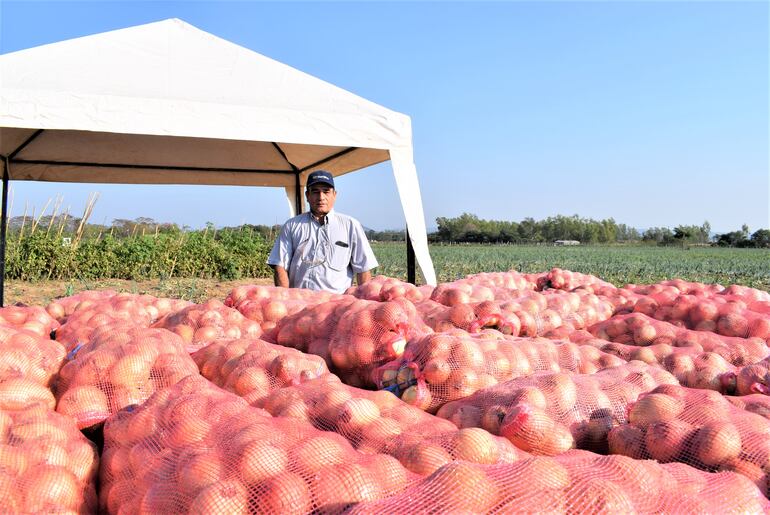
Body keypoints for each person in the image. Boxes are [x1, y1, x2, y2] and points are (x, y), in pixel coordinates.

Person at [268, 170, 378, 293]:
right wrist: (285, 298)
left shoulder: (351, 225)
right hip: (300, 301)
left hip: (337, 302)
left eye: (326, 191)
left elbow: (363, 269)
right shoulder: (292, 225)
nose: (321, 197)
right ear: (307, 196)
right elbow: (280, 265)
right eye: (315, 192)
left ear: (334, 195)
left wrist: (365, 298)